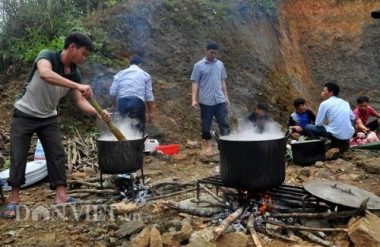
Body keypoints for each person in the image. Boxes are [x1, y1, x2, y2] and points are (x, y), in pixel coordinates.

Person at [0, 32, 111, 219]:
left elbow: (81, 102)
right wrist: (77, 86)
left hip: (48, 117)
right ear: (72, 47)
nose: (84, 58)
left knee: (57, 154)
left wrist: (98, 112)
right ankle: (15, 200)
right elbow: (45, 74)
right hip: (24, 113)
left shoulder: (75, 72)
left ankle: (61, 196)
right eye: (83, 53)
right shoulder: (48, 56)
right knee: (18, 155)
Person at [191, 42, 230, 156]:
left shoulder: (220, 64)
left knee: (224, 123)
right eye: (211, 52)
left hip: (220, 99)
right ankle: (208, 146)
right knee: (206, 125)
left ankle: (227, 145)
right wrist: (194, 99)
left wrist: (226, 97)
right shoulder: (198, 66)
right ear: (206, 51)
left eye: (215, 53)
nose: (213, 55)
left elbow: (223, 82)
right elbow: (195, 83)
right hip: (206, 101)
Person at [109, 55, 154, 134]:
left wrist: (114, 106)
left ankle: (123, 145)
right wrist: (150, 112)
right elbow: (149, 96)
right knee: (138, 131)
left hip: (122, 103)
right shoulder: (145, 75)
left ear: (130, 63)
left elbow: (112, 92)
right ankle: (137, 145)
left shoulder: (120, 73)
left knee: (123, 128)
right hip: (137, 103)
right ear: (140, 64)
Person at [305, 82, 354, 151]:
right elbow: (352, 118)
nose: (322, 93)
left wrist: (326, 125)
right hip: (348, 134)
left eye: (324, 91)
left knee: (308, 127)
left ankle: (319, 148)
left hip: (335, 134)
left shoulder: (324, 104)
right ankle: (342, 142)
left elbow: (318, 123)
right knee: (333, 126)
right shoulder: (345, 103)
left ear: (331, 93)